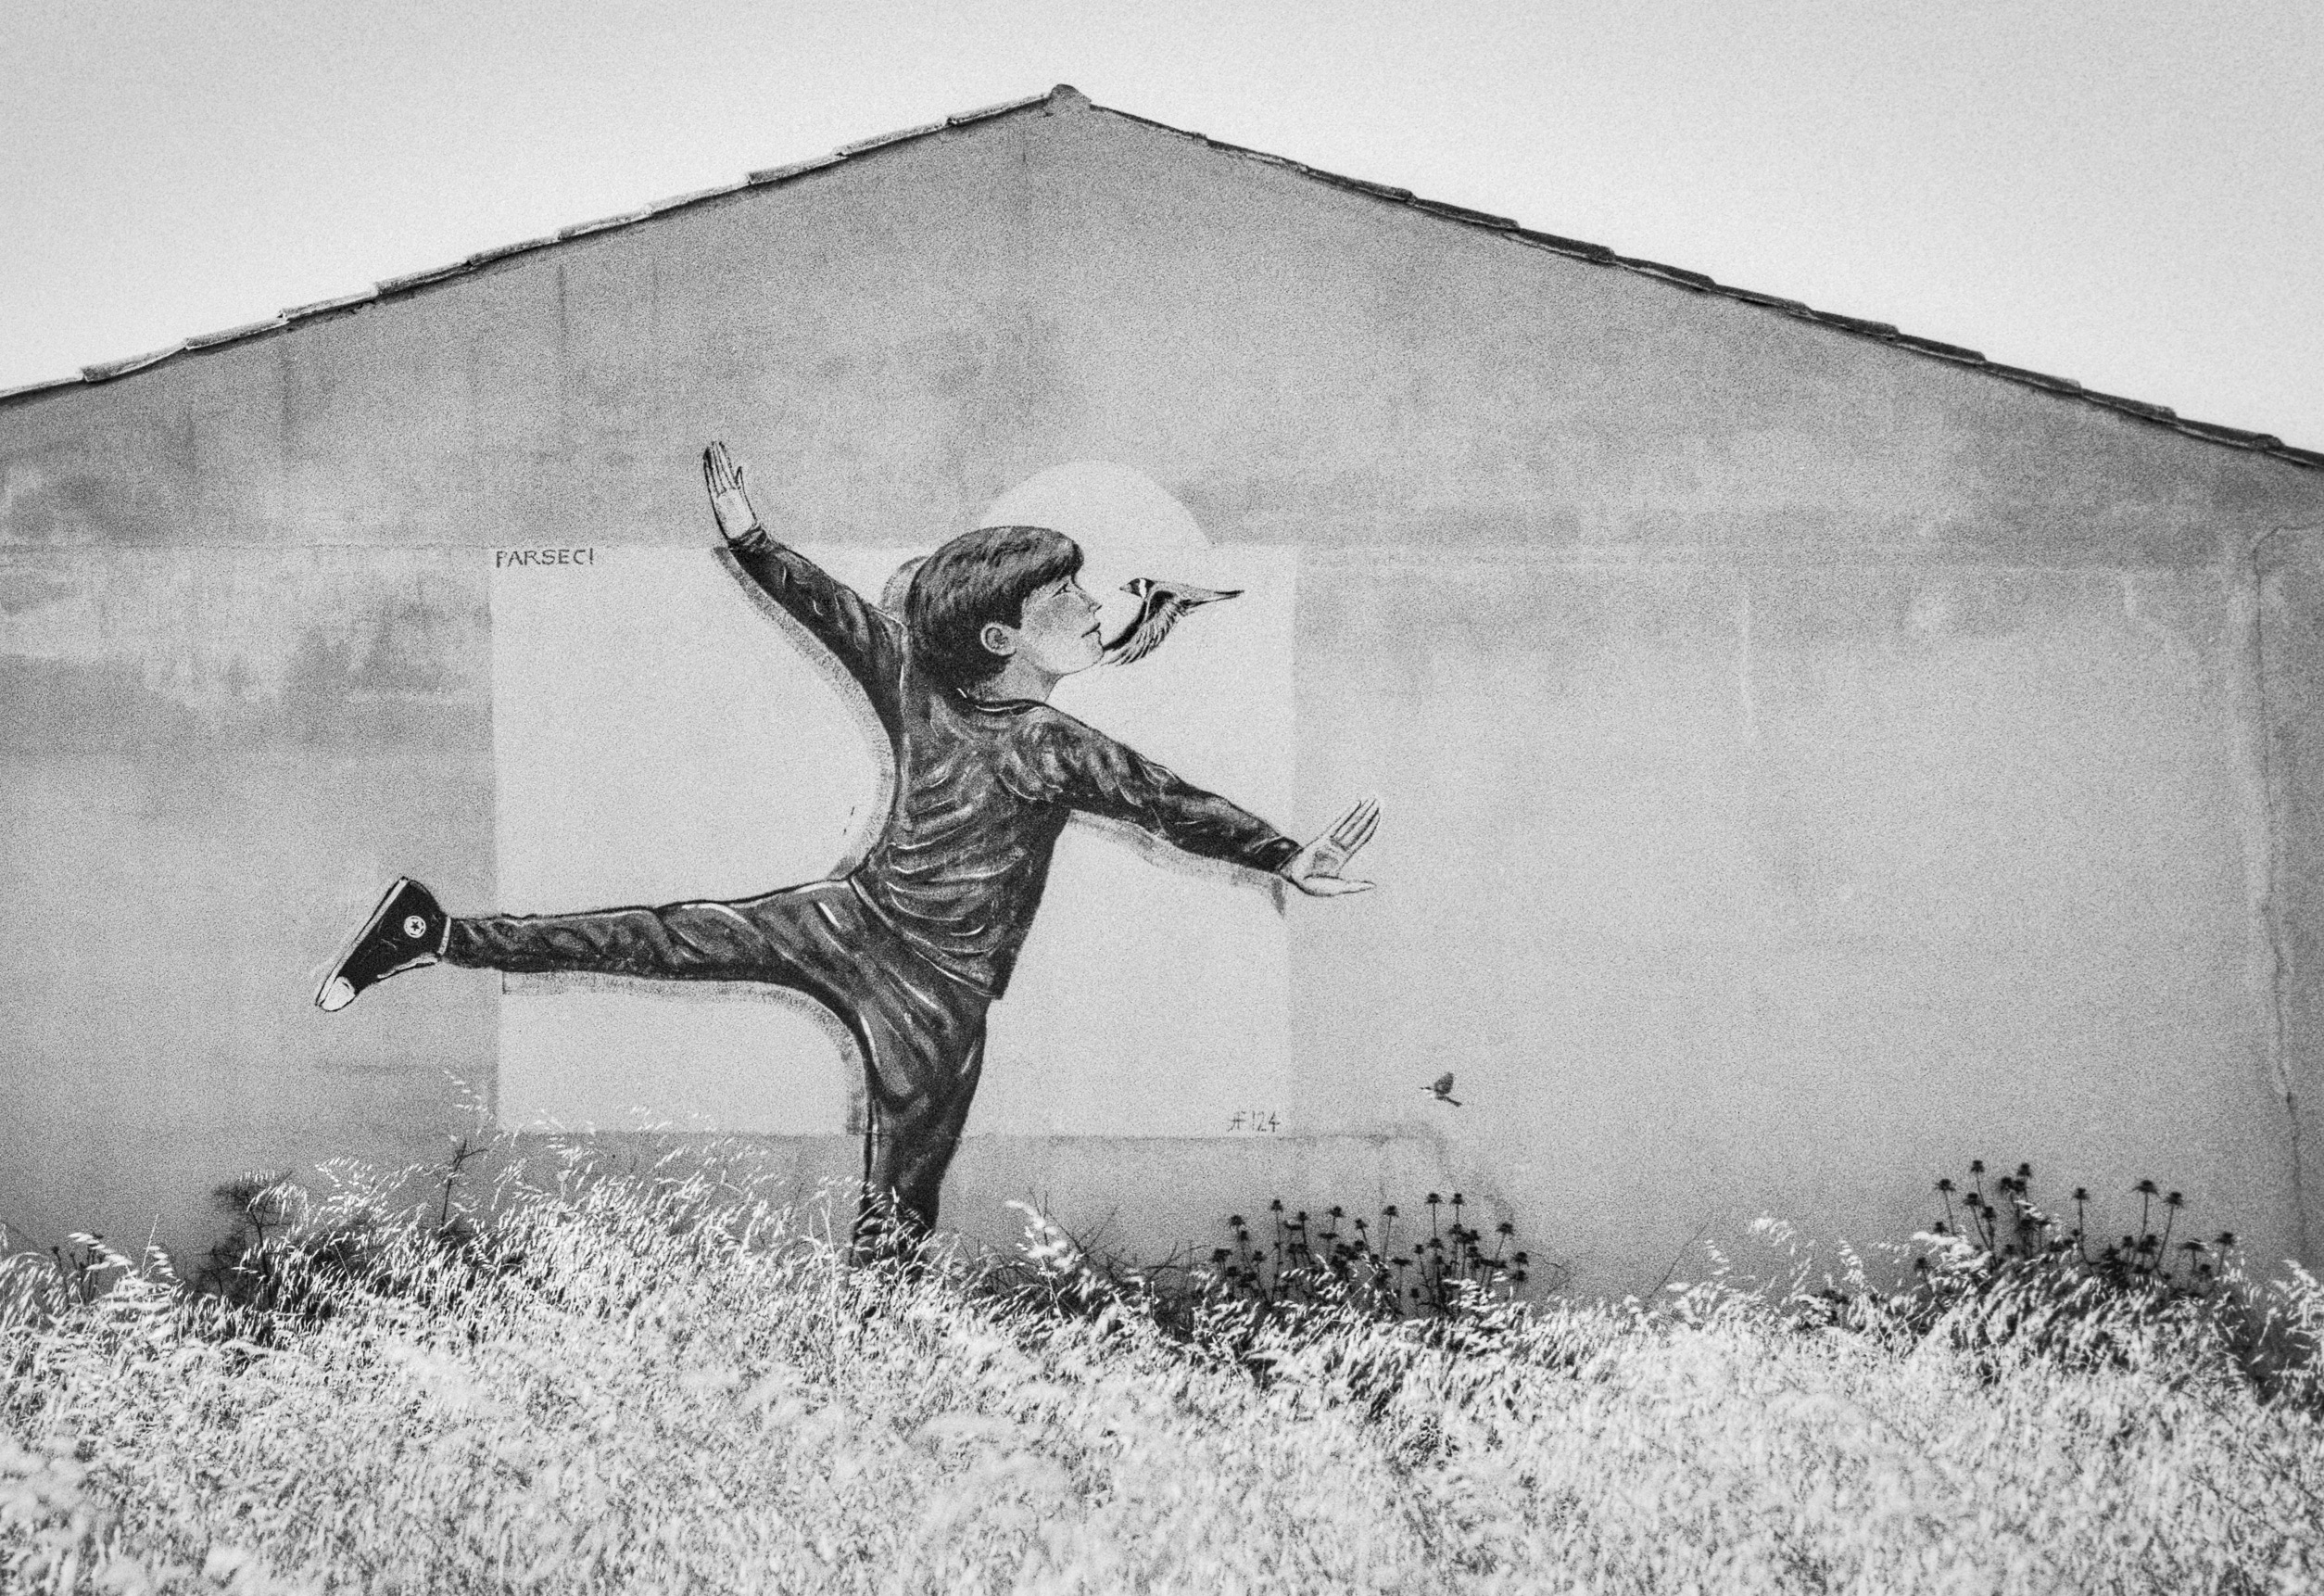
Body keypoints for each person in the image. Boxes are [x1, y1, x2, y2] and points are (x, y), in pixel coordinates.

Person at [317, 442, 1380, 1255]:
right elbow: (835, 614)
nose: (1091, 610)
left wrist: (1283, 854)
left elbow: (1169, 802)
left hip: (914, 975)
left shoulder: (1029, 730)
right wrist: (750, 541)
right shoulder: (987, 716)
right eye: (1069, 599)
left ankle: (879, 1358)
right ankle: (435, 932)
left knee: (895, 1190)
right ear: (1006, 637)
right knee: (663, 940)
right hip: (885, 945)